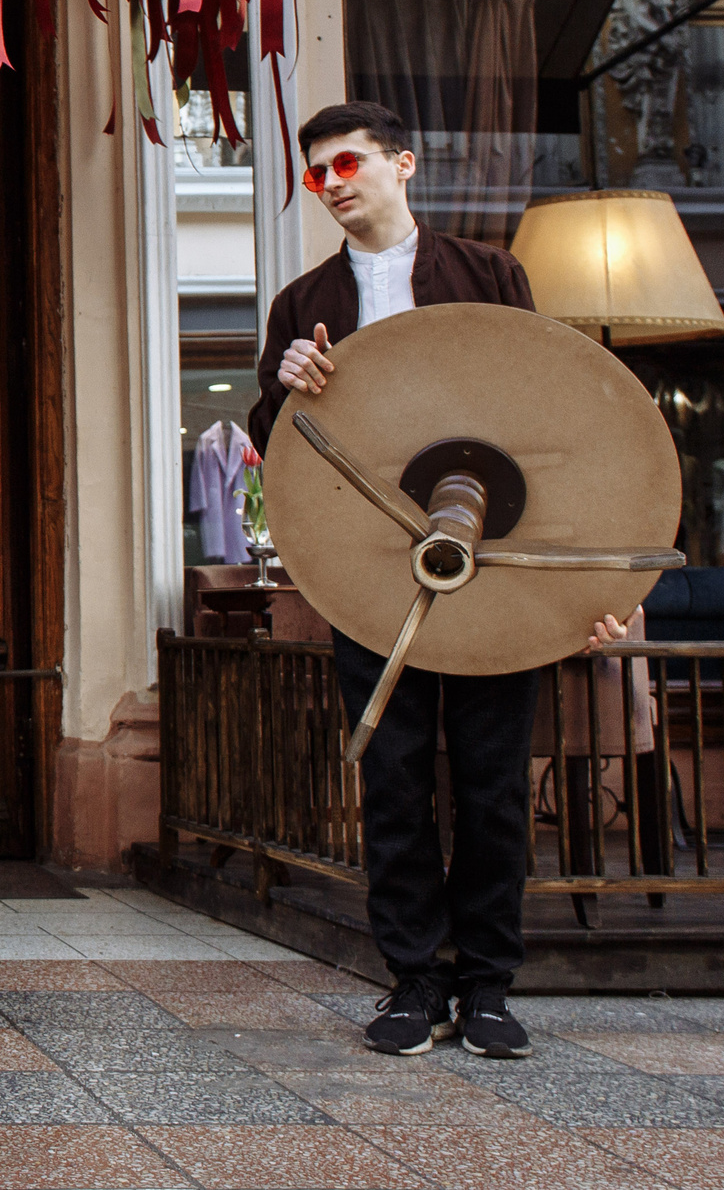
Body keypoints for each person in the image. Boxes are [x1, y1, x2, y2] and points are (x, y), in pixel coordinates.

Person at [250, 101, 635, 1061]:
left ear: (403, 164)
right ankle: (414, 981)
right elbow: (278, 449)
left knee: (496, 783)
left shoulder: (489, 273)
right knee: (393, 779)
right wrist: (285, 384)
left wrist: (590, 575)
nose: (334, 183)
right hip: (371, 572)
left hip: (493, 562)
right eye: (316, 174)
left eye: (349, 163)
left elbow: (544, 417)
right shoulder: (302, 303)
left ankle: (491, 987)